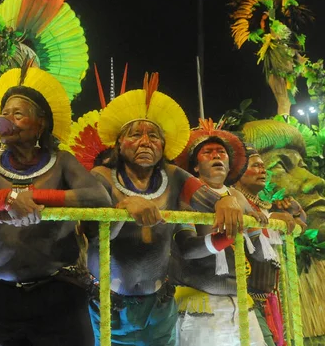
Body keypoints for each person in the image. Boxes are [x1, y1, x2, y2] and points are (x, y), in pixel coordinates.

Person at [0, 65, 112, 346]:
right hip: (3, 298)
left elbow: (98, 198)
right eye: (4, 113)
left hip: (60, 293)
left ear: (40, 123)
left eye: (17, 114)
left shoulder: (62, 160)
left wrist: (35, 197)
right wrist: (4, 200)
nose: (7, 120)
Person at [87, 75, 248, 346]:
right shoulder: (101, 176)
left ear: (163, 147)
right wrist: (123, 208)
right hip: (108, 306)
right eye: (135, 134)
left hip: (159, 307)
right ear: (118, 144)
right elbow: (91, 232)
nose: (145, 142)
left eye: (154, 136)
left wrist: (228, 201)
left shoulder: (174, 176)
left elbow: (211, 198)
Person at [171, 119, 266, 346]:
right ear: (195, 166)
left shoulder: (239, 196)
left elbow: (260, 253)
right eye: (208, 152)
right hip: (200, 306)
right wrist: (224, 238)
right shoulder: (184, 195)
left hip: (242, 302)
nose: (216, 156)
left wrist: (269, 224)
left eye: (221, 152)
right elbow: (186, 249)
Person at [233, 144, 305, 346]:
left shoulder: (263, 208)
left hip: (269, 299)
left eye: (263, 166)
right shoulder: (233, 201)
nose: (262, 170)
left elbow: (299, 228)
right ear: (237, 171)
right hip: (246, 299)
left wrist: (295, 213)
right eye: (255, 165)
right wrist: (273, 217)